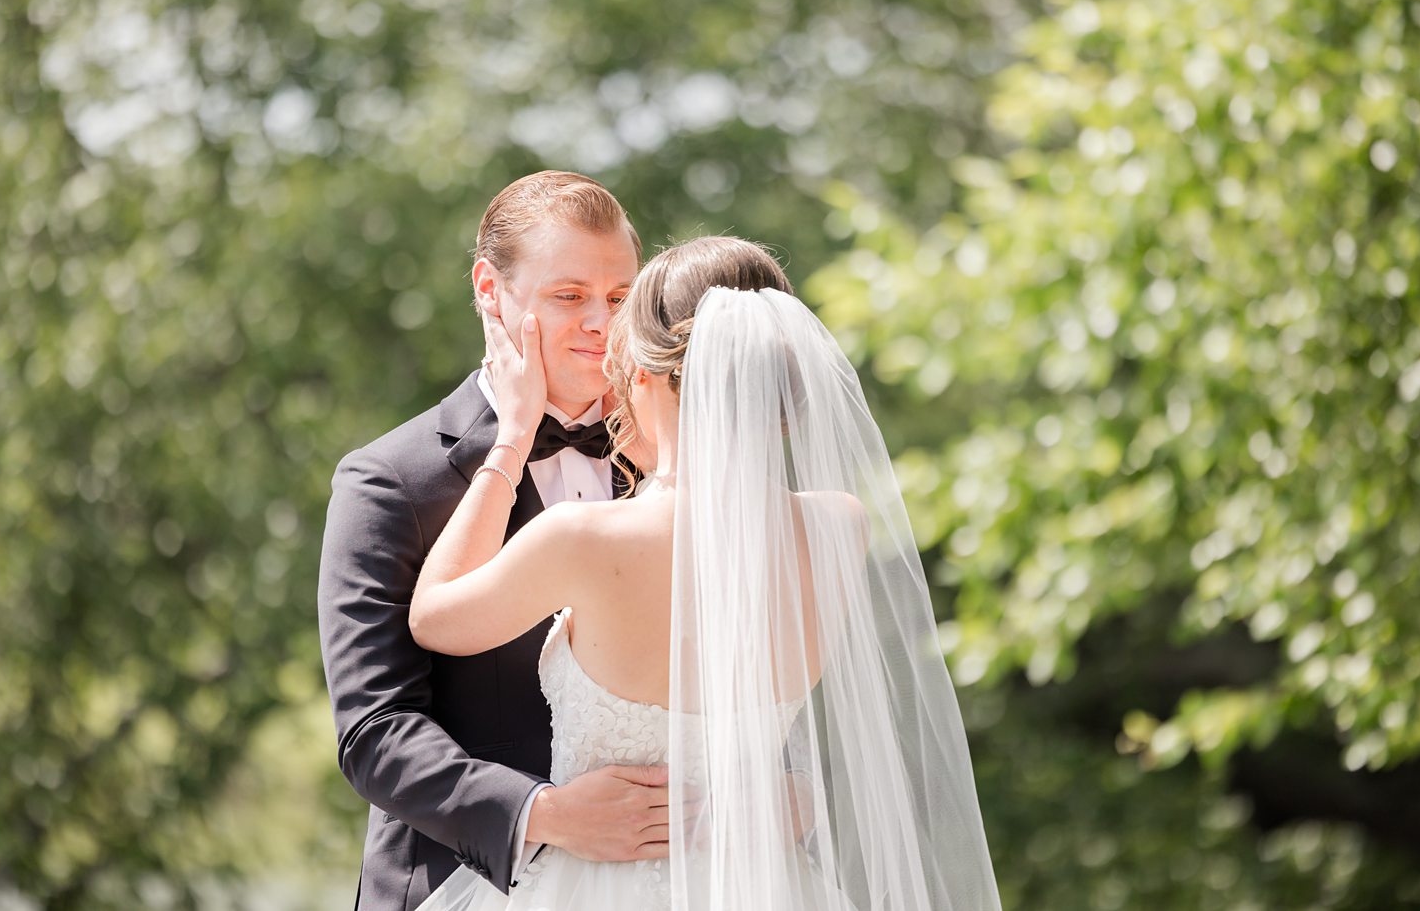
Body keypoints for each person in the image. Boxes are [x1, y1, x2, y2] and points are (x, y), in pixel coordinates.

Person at [410, 236, 1003, 910]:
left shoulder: (583, 538)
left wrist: (512, 437)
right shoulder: (840, 525)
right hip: (769, 882)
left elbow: (434, 617)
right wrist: (795, 797)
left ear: (644, 374)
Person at [317, 171, 671, 911]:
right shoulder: (390, 481)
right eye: (568, 296)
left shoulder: (674, 465)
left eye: (618, 297)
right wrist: (548, 814)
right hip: (466, 885)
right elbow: (375, 730)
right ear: (489, 289)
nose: (601, 324)